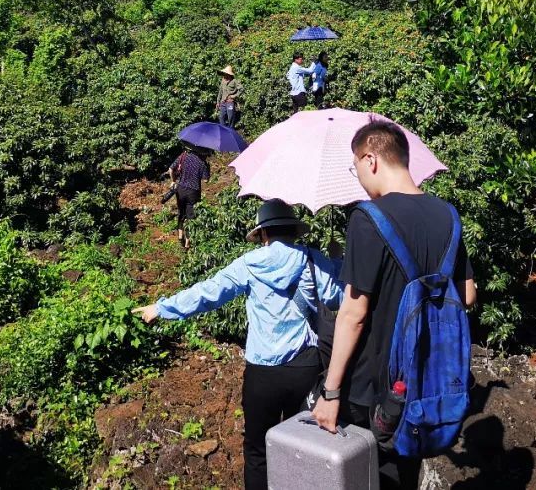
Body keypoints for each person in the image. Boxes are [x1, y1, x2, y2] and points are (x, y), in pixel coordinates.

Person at [311, 121, 477, 489]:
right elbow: (466, 296)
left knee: (363, 477)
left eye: (355, 167)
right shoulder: (448, 216)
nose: (358, 177)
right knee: (404, 476)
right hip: (424, 381)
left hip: (374, 389)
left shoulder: (368, 218)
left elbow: (353, 315)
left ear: (370, 158)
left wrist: (330, 392)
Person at [133, 200, 343, 490]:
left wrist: (163, 308)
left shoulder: (249, 264)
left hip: (263, 374)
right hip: (304, 367)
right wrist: (338, 262)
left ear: (263, 234)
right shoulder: (312, 259)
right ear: (293, 232)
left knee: (257, 448)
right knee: (302, 446)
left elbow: (208, 293)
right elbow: (338, 299)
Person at [169, 144, 210, 249]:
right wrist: (207, 169)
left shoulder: (184, 156)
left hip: (181, 189)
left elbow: (171, 169)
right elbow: (205, 180)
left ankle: (180, 236)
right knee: (191, 217)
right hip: (194, 192)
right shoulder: (203, 163)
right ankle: (187, 242)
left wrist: (173, 181)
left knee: (181, 213)